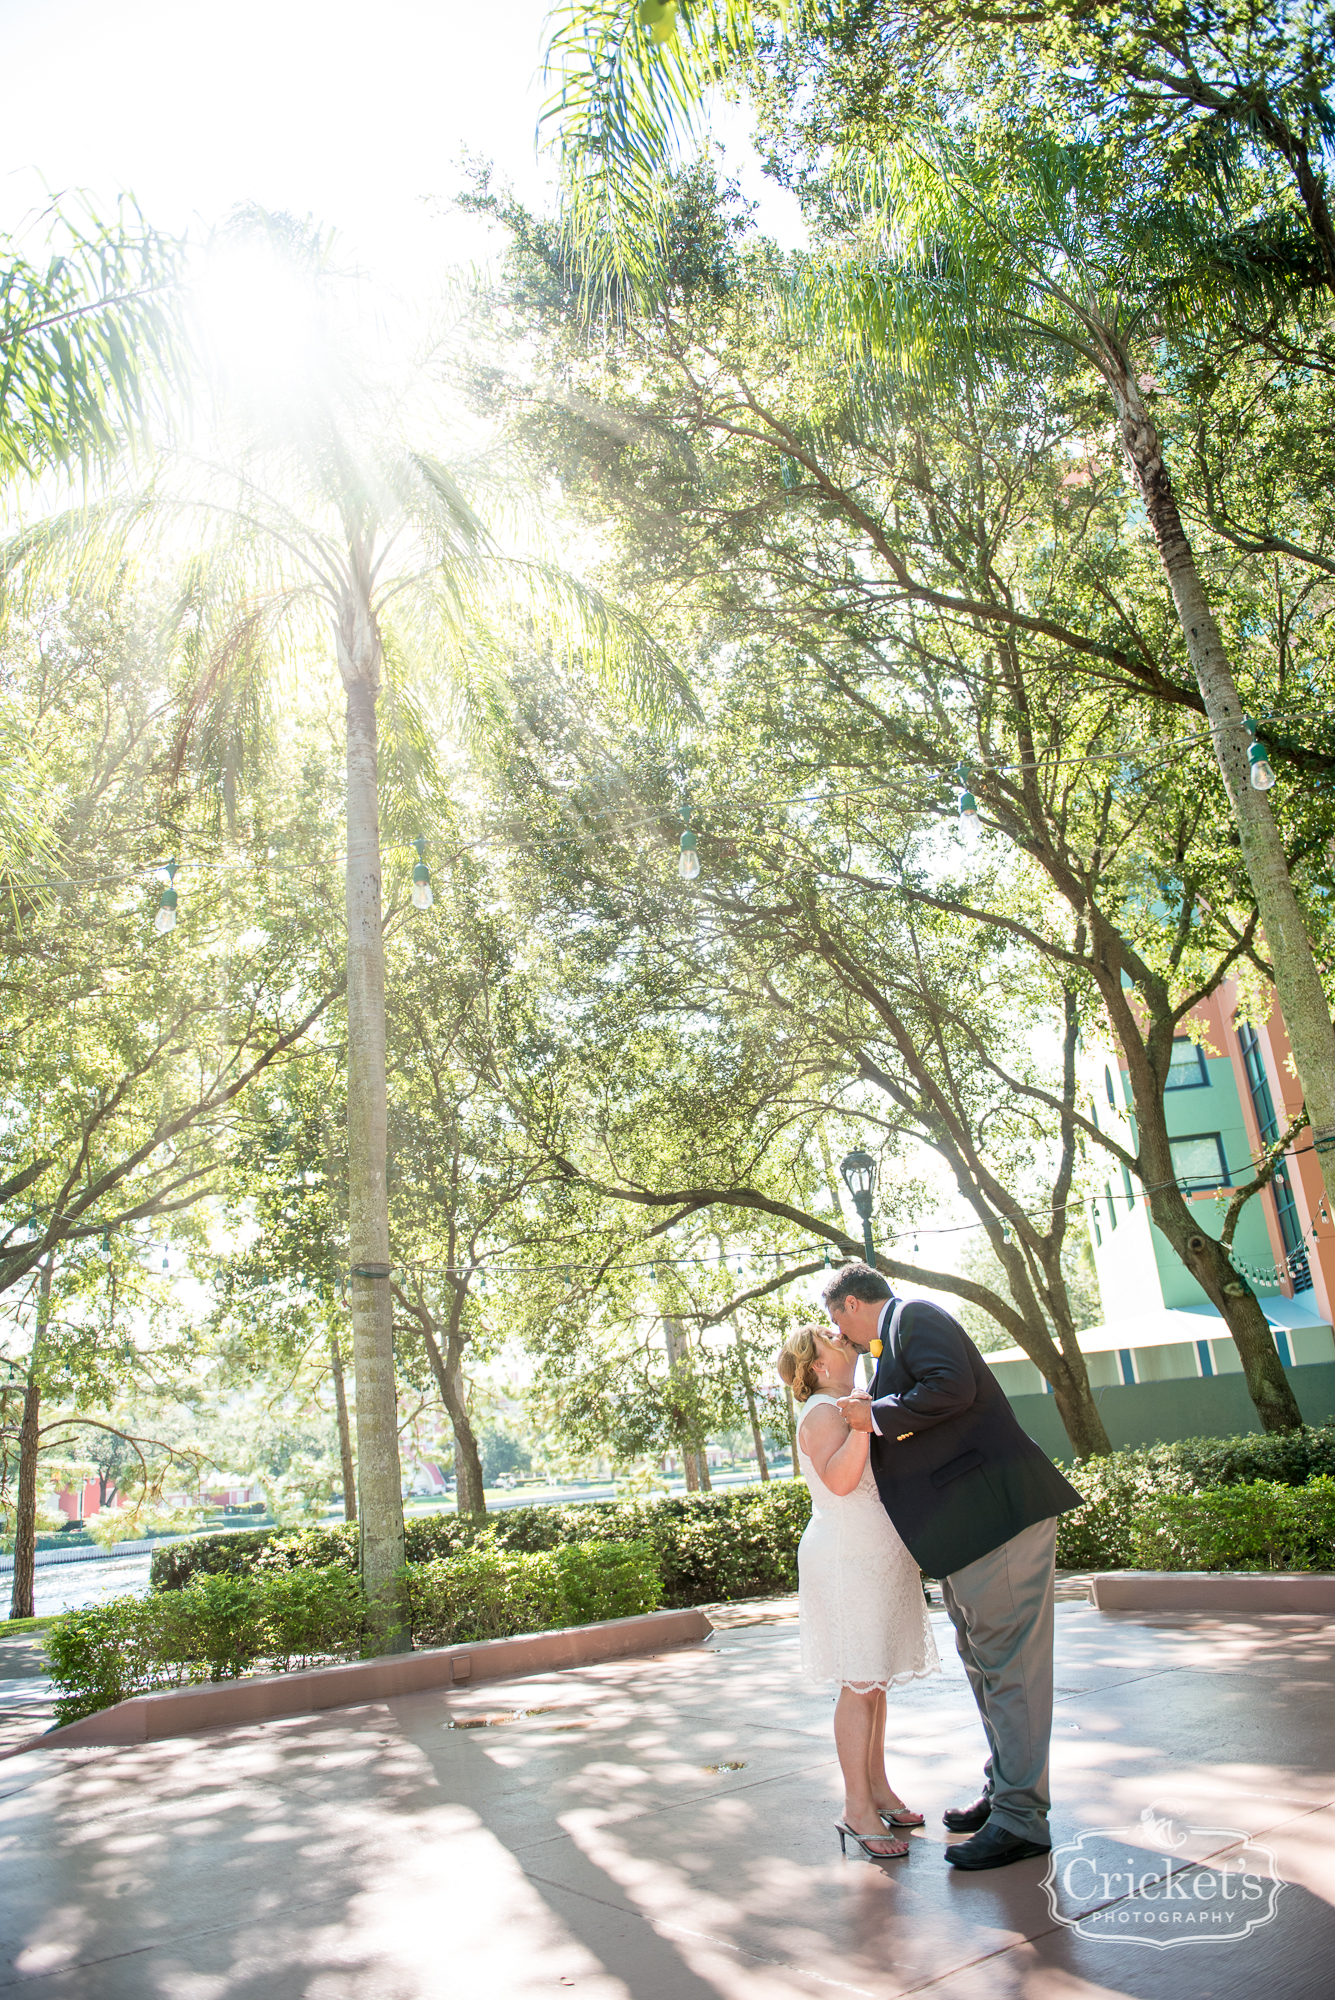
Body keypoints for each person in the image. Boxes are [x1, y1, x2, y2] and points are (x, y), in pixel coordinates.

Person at [822, 1261, 1083, 1871]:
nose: (842, 1333)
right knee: (985, 1661)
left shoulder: (915, 1317)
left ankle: (1023, 1820)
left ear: (853, 1304)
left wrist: (874, 1415)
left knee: (1010, 1665)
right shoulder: (892, 1344)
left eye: (839, 1319)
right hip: (968, 1532)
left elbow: (951, 1389)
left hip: (997, 1519)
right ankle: (1006, 1789)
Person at [777, 1323, 940, 1861]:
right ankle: (855, 1808)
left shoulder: (842, 1404)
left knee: (876, 1681)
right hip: (847, 1557)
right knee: (859, 1680)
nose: (841, 1337)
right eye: (829, 1338)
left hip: (876, 1553)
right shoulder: (825, 1412)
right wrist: (865, 1425)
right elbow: (842, 1481)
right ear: (818, 1367)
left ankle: (879, 1790)